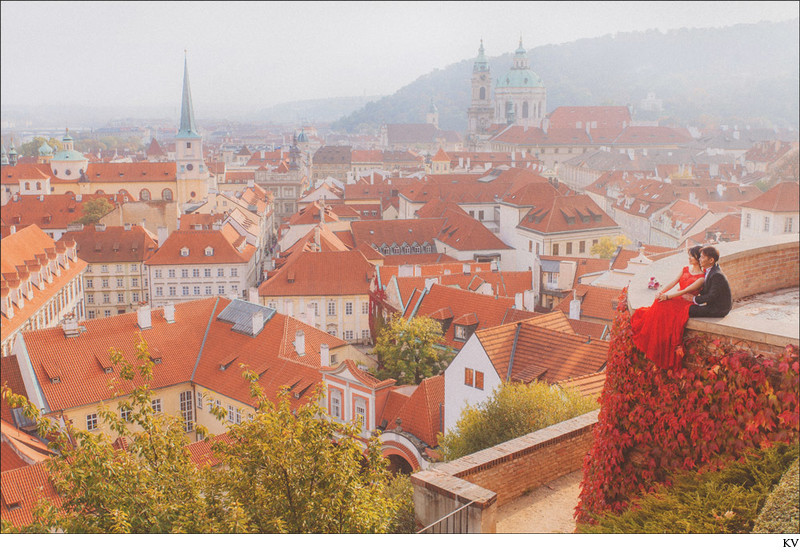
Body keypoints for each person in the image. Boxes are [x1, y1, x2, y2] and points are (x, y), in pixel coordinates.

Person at [631, 246, 706, 370]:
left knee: (664, 305)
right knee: (659, 301)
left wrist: (668, 296)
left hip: (685, 302)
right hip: (677, 297)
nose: (689, 258)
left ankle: (658, 342)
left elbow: (686, 291)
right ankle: (653, 336)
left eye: (692, 256)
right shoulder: (685, 269)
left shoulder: (701, 278)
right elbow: (673, 282)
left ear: (698, 258)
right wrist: (662, 292)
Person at [689, 245, 732, 318]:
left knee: (688, 309)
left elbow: (712, 296)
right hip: (713, 305)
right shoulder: (710, 270)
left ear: (711, 260)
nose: (699, 259)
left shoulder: (717, 275)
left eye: (702, 257)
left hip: (719, 309)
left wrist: (693, 298)